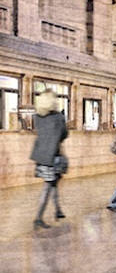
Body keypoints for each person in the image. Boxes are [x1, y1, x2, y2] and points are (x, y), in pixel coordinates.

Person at [30, 89, 68, 229]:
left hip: (41, 156)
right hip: (53, 156)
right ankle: (38, 218)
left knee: (53, 183)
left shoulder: (37, 117)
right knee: (48, 186)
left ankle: (58, 210)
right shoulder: (58, 117)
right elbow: (64, 134)